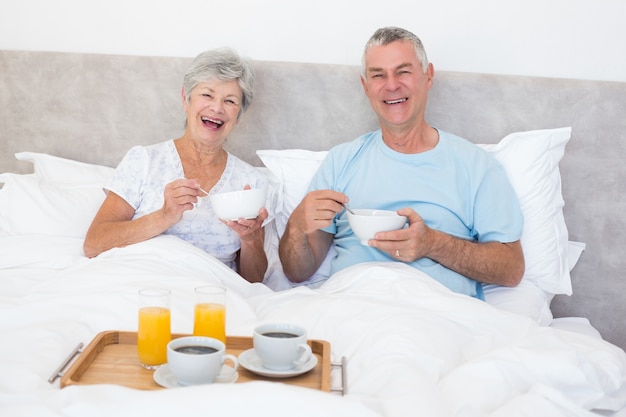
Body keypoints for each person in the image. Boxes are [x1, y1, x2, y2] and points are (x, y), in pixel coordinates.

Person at [278, 27, 525, 299]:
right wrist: (296, 227)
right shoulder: (341, 161)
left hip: (436, 311)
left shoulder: (476, 166)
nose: (391, 85)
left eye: (403, 71)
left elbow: (511, 269)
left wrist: (433, 244)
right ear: (366, 86)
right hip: (350, 304)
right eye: (378, 75)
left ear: (428, 76)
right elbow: (298, 272)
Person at [83, 48, 269, 283]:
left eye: (230, 101)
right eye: (207, 95)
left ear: (239, 115)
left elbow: (253, 281)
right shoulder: (144, 161)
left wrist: (251, 240)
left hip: (208, 293)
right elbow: (93, 243)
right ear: (186, 99)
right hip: (139, 284)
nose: (217, 108)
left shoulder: (250, 182)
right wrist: (164, 216)